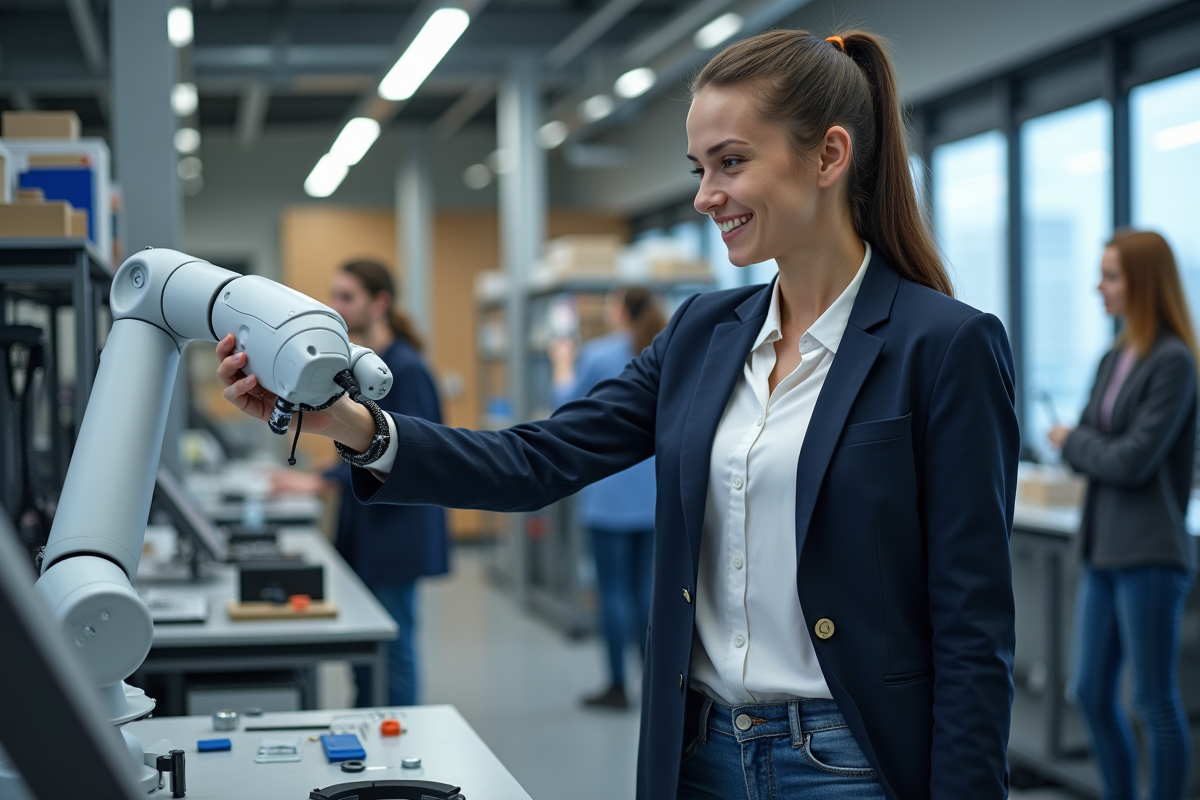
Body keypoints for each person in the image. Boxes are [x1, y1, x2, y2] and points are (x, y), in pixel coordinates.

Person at [217, 29, 1019, 800]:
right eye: (699, 167)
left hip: (850, 764)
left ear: (829, 156)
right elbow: (538, 461)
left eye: (730, 163)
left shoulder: (943, 347)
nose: (707, 196)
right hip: (699, 755)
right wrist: (348, 423)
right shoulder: (704, 333)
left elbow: (972, 632)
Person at [1048, 230, 1197, 800]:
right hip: (1102, 548)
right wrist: (1083, 444)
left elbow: (1131, 459)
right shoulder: (1114, 357)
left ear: (1143, 283)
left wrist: (1074, 444)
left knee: (1152, 700)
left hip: (1150, 552)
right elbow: (1094, 438)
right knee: (1088, 689)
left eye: (1110, 276)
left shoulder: (1174, 362)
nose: (1098, 287)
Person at [272, 259, 448, 707]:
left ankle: (400, 735)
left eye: (347, 296)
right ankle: (367, 722)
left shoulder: (406, 370)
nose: (336, 306)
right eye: (334, 295)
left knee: (393, 645)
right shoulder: (357, 368)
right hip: (365, 522)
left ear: (380, 302)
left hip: (396, 527)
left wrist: (317, 483)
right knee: (368, 646)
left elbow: (408, 450)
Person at [549, 288, 666, 710]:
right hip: (654, 494)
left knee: (612, 590)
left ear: (621, 312)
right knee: (648, 592)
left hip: (609, 495)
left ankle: (617, 685)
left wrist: (562, 365)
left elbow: (566, 408)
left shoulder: (599, 355)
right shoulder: (666, 347)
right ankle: (655, 681)